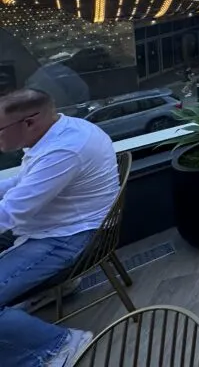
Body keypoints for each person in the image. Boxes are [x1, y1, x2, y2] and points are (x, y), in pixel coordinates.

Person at [0, 88, 119, 366]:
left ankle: (58, 346)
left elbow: (11, 214)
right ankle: (47, 293)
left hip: (73, 239)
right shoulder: (63, 132)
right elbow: (24, 183)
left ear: (29, 122)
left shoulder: (63, 150)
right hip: (66, 229)